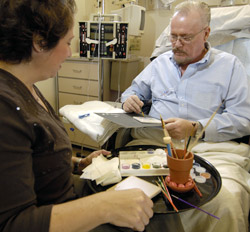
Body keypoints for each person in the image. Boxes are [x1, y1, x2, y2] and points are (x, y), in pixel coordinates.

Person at [0, 1, 157, 231]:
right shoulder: (5, 109)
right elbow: (14, 223)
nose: (70, 52)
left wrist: (79, 163)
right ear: (39, 42)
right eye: (68, 43)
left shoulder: (26, 87)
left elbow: (36, 159)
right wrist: (105, 206)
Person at [121, 1, 250, 146]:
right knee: (105, 168)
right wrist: (128, 101)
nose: (176, 44)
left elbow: (242, 119)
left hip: (207, 147)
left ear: (206, 33)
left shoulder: (230, 66)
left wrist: (196, 128)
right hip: (153, 142)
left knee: (219, 170)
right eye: (173, 36)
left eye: (186, 38)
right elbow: (133, 92)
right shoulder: (160, 63)